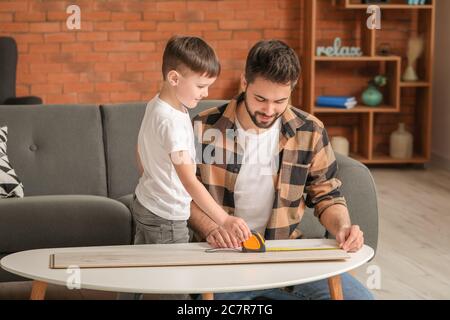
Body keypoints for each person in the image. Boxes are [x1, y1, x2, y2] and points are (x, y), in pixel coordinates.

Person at [189, 39, 374, 300]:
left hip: (286, 254)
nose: (269, 110)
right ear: (244, 83)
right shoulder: (204, 127)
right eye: (261, 99)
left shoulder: (309, 131)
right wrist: (211, 228)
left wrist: (342, 227)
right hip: (223, 258)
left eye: (280, 101)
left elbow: (327, 195)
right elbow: (183, 195)